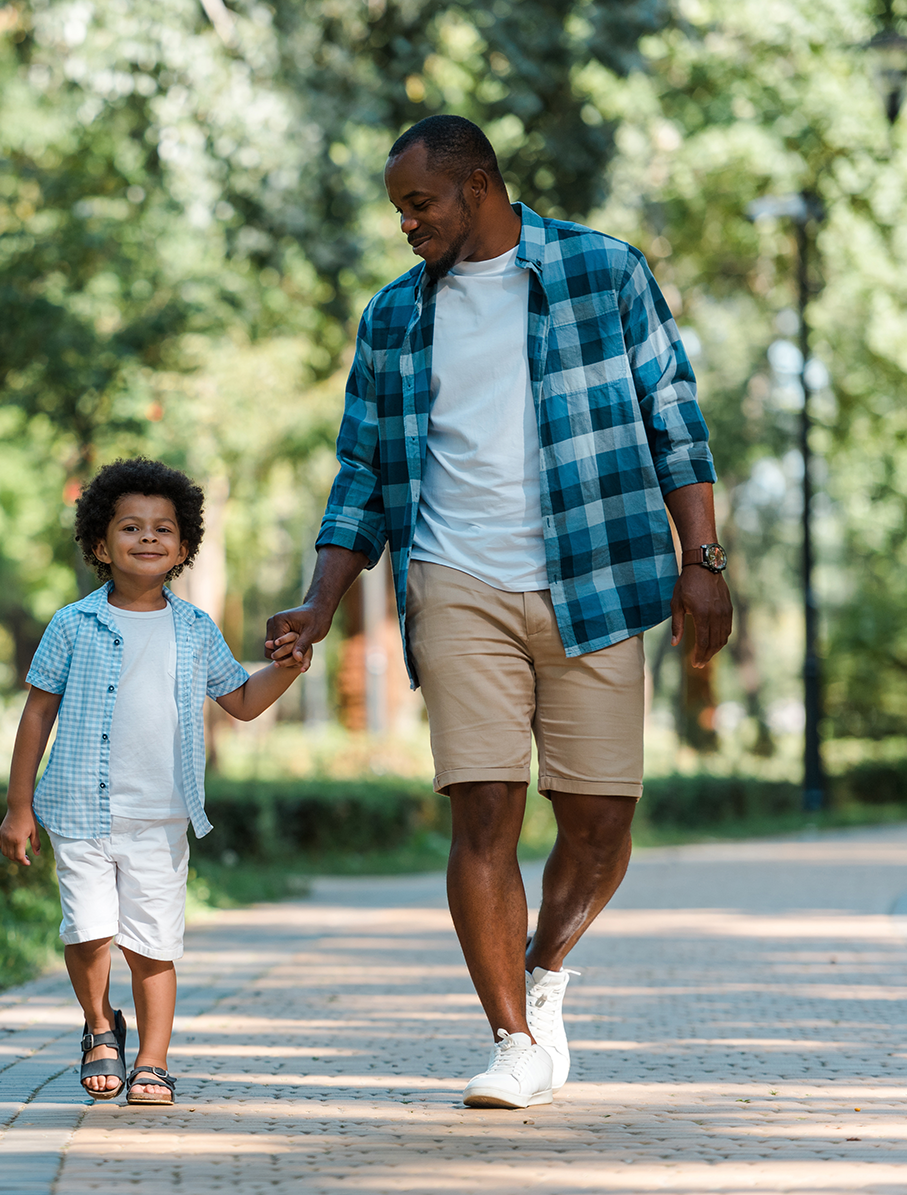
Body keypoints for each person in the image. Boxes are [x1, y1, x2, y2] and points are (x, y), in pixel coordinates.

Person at [266, 115, 731, 1110]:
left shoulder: (600, 272)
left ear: (474, 184)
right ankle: (510, 1037)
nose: (406, 224)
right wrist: (315, 604)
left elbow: (673, 413)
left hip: (596, 574)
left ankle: (543, 966)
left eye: (417, 203)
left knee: (599, 822)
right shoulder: (392, 316)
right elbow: (360, 473)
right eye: (398, 208)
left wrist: (701, 560)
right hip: (452, 577)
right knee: (482, 808)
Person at [0, 458, 308, 1106]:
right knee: (87, 930)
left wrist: (290, 668)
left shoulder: (195, 628)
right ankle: (98, 1024)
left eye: (162, 528)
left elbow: (244, 700)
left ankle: (153, 1059)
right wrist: (18, 805)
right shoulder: (72, 624)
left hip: (162, 814)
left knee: (152, 944)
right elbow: (37, 713)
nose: (147, 538)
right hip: (79, 807)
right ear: (99, 544)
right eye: (130, 527)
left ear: (184, 546)